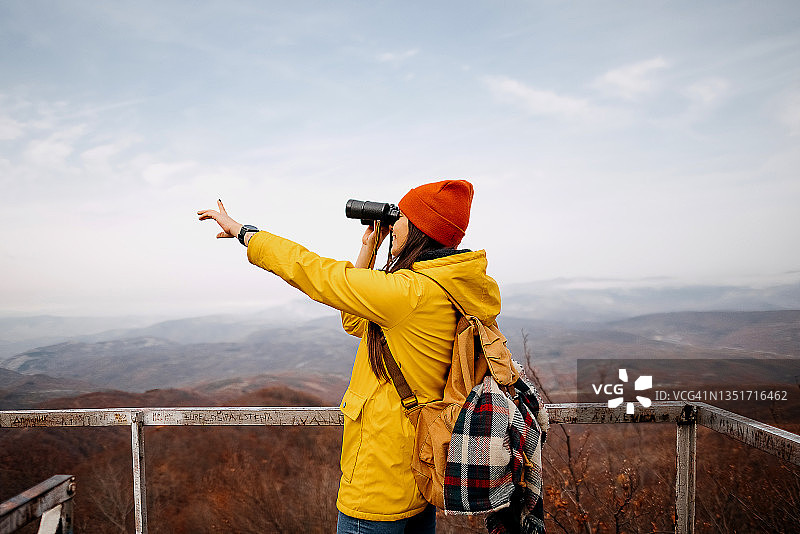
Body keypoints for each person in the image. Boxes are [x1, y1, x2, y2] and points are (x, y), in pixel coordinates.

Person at [198, 179, 504, 534]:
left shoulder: (408, 294)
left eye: (401, 218)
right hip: (419, 475)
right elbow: (357, 320)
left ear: (419, 230)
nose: (395, 224)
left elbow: (314, 272)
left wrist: (245, 233)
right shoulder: (448, 289)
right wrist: (370, 249)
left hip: (378, 485)